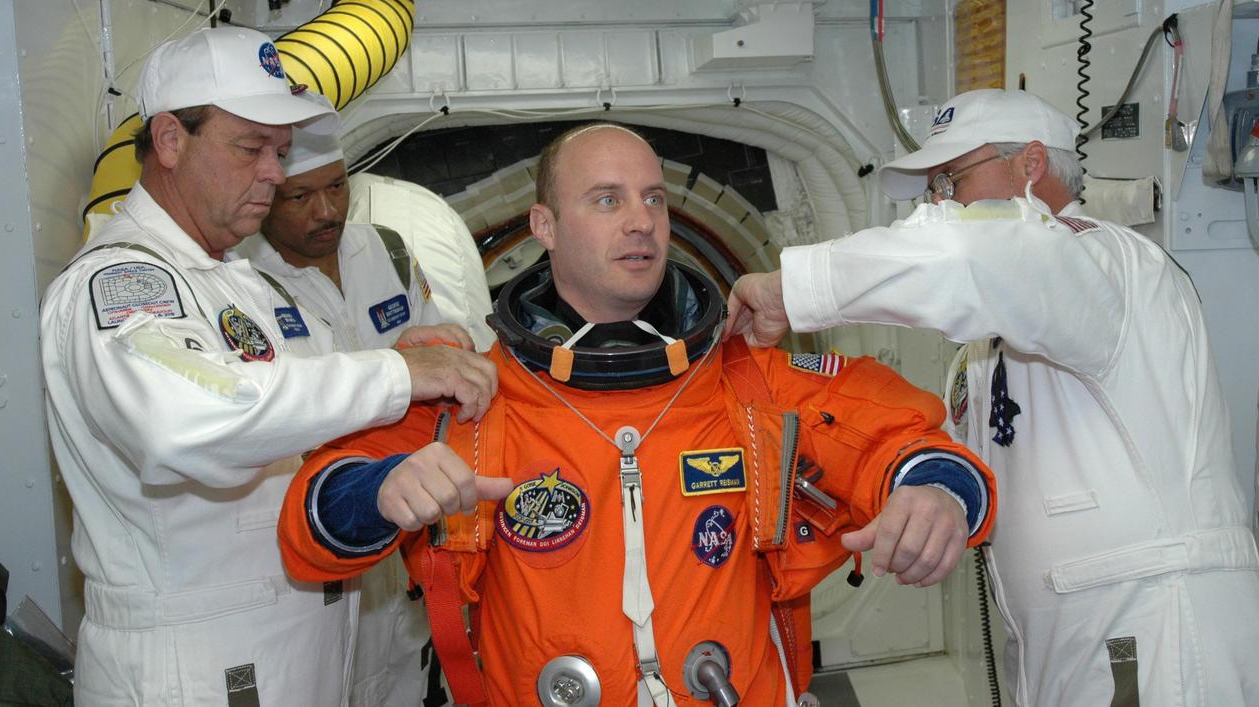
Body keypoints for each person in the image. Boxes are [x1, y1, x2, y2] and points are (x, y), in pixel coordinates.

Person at [277, 123, 998, 706]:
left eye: (653, 199)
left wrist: (933, 492)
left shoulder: (745, 383)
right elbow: (312, 521)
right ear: (544, 225)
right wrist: (376, 491)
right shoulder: (472, 395)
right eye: (606, 199)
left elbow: (903, 439)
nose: (641, 222)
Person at [725, 88, 1259, 707]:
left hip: (1155, 626)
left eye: (949, 181)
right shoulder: (988, 349)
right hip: (1062, 636)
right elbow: (976, 456)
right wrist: (937, 495)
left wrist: (789, 288)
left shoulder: (1111, 266)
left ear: (1030, 165)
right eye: (934, 190)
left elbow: (966, 256)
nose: (939, 205)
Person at [39, 25, 504, 706]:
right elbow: (189, 421)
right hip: (195, 668)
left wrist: (408, 363)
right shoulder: (119, 283)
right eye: (251, 148)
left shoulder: (238, 281)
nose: (275, 173)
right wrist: (400, 376)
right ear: (169, 140)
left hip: (299, 654)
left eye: (280, 151)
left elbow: (302, 404)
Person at [235, 122, 480, 706]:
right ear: (266, 191)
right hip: (314, 532)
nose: (326, 210)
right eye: (300, 196)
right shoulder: (241, 283)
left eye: (339, 188)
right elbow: (270, 415)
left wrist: (442, 348)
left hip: (407, 525)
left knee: (405, 676)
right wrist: (397, 369)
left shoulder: (388, 251)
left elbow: (445, 368)